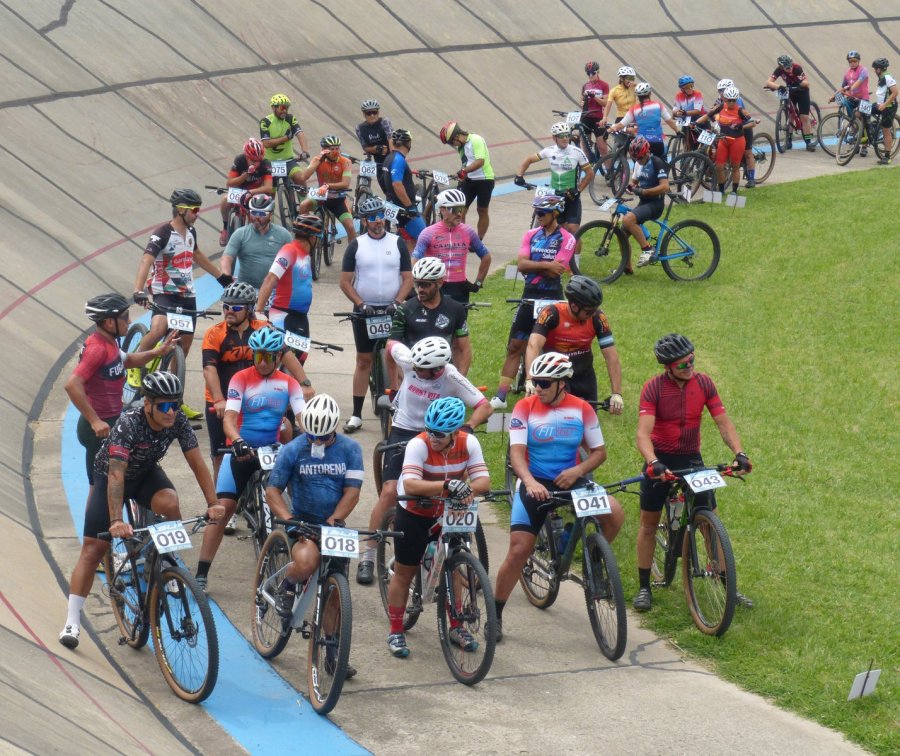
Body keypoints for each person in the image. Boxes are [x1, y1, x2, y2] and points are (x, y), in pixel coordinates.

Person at [58, 372, 223, 649]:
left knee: (170, 503)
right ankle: (72, 621)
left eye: (176, 404)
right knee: (93, 549)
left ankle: (164, 562)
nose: (171, 412)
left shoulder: (177, 419)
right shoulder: (129, 424)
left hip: (146, 474)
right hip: (110, 476)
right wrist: (115, 520)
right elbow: (116, 476)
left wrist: (213, 502)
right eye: (164, 406)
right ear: (148, 404)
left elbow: (197, 462)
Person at [492, 353, 624, 641]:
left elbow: (599, 452)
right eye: (535, 382)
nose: (537, 388)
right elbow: (516, 454)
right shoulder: (524, 408)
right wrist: (528, 482)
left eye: (543, 383)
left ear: (562, 383)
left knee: (615, 513)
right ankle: (495, 613)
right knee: (518, 552)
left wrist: (577, 470)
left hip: (574, 479)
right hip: (536, 481)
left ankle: (594, 559)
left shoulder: (582, 409)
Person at [356, 337, 492, 584]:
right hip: (406, 431)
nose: (416, 372)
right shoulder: (409, 360)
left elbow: (484, 406)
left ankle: (453, 555)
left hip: (439, 432)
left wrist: (469, 426)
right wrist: (394, 385)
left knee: (455, 488)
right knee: (389, 492)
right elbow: (388, 346)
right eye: (415, 368)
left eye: (422, 370)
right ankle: (368, 554)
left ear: (438, 368)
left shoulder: (450, 376)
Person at [633, 334, 753, 612]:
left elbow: (723, 423)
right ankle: (643, 587)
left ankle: (727, 586)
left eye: (692, 360)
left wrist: (740, 453)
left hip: (691, 459)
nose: (691, 366)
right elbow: (642, 434)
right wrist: (652, 462)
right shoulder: (654, 388)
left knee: (710, 521)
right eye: (684, 364)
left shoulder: (704, 383)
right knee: (649, 524)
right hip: (661, 460)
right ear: (668, 367)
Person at [195, 326, 306, 591]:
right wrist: (238, 441)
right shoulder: (240, 379)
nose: (263, 363)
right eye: (258, 357)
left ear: (279, 357)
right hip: (243, 449)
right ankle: (201, 571)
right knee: (223, 508)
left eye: (269, 357)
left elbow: (302, 417)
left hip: (273, 448)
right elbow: (229, 420)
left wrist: (311, 435)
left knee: (299, 494)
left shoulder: (289, 383)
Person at [384, 397, 491, 657]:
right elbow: (410, 484)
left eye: (440, 434)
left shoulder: (469, 443)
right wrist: (447, 486)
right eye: (430, 430)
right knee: (404, 571)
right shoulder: (418, 444)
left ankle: (456, 625)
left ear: (455, 432)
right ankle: (395, 630)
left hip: (447, 511)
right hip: (415, 511)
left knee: (452, 565)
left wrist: (466, 488)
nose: (433, 437)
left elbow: (484, 481)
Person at [265, 393, 363, 677]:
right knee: (307, 561)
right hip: (303, 522)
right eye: (313, 437)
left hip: (333, 523)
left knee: (336, 594)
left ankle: (333, 652)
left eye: (324, 438)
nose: (318, 442)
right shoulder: (293, 449)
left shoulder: (350, 449)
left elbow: (353, 492)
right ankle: (287, 585)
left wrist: (334, 520)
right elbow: (273, 491)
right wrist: (288, 519)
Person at [132, 188, 230, 419]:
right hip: (164, 292)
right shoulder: (162, 233)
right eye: (195, 209)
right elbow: (146, 260)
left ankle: (175, 397)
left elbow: (197, 256)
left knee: (183, 347)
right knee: (158, 329)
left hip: (186, 294)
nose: (198, 213)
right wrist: (137, 290)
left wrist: (220, 276)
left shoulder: (191, 231)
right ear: (181, 209)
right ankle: (135, 366)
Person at [202, 282, 313, 485]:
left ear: (250, 309)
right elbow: (209, 369)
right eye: (225, 306)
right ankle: (223, 499)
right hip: (224, 400)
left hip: (260, 396)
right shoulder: (214, 333)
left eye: (236, 308)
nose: (229, 311)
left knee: (284, 430)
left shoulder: (263, 329)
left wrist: (304, 382)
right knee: (222, 454)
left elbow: (286, 355)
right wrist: (218, 399)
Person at [68, 294, 178, 490]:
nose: (129, 321)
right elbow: (72, 384)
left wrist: (157, 352)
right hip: (98, 428)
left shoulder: (110, 342)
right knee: (99, 487)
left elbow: (126, 360)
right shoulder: (97, 349)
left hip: (111, 420)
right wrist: (95, 421)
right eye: (125, 317)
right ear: (110, 322)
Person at [490, 194, 575, 410]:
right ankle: (501, 395)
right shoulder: (530, 235)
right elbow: (521, 265)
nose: (537, 216)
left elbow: (559, 269)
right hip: (529, 297)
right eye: (535, 212)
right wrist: (546, 265)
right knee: (514, 346)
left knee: (551, 347)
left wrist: (535, 264)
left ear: (555, 213)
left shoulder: (567, 238)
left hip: (553, 299)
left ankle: (553, 390)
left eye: (541, 213)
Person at [339, 195, 413, 433]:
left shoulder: (397, 242)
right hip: (365, 310)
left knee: (397, 358)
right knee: (364, 360)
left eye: (380, 216)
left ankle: (399, 405)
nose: (377, 221)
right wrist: (360, 304)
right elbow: (345, 282)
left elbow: (408, 278)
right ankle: (356, 414)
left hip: (393, 308)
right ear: (364, 220)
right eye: (372, 218)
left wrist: (399, 301)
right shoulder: (356, 245)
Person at [525, 275, 623, 413]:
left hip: (584, 373)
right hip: (556, 375)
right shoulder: (551, 313)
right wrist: (530, 379)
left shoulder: (597, 318)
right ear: (574, 306)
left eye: (595, 309)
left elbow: (611, 356)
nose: (593, 314)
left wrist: (617, 394)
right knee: (559, 418)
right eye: (588, 311)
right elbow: (533, 345)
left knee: (588, 420)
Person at [386, 257, 472, 376]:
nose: (420, 289)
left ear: (440, 283)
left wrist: (461, 380)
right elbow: (391, 349)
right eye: (417, 284)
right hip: (413, 376)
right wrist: (397, 386)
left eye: (425, 285)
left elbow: (463, 349)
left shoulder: (456, 309)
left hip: (443, 375)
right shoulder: (404, 310)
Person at [254, 213, 323, 361]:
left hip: (301, 317)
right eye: (320, 238)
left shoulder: (306, 255)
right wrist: (259, 310)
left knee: (301, 358)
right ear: (313, 238)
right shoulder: (289, 250)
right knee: (281, 359)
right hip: (283, 315)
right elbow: (271, 278)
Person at [412, 188, 492, 303]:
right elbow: (415, 260)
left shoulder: (468, 232)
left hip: (460, 287)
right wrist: (420, 283)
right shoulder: (428, 233)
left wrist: (478, 283)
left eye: (461, 209)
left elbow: (486, 257)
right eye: (454, 210)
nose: (459, 214)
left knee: (460, 321)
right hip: (435, 286)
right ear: (442, 210)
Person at [514, 123, 594, 233]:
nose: (565, 138)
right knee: (554, 229)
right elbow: (529, 160)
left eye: (567, 135)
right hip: (554, 196)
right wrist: (519, 175)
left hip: (571, 197)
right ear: (554, 138)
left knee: (573, 230)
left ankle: (576, 251)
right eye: (561, 136)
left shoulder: (577, 152)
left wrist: (578, 190)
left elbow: (590, 173)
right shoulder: (549, 151)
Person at [695, 86, 759, 195]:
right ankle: (721, 190)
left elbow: (752, 123)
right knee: (720, 167)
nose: (731, 103)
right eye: (729, 100)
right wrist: (695, 123)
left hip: (737, 141)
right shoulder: (720, 107)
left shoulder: (740, 110)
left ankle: (734, 191)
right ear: (725, 99)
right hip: (724, 141)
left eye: (734, 100)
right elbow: (707, 115)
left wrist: (741, 127)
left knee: (735, 167)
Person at [220, 194, 293, 290]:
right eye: (253, 213)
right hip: (246, 290)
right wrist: (226, 276)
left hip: (274, 291)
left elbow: (296, 262)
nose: (256, 218)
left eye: (262, 214)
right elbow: (226, 259)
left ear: (270, 214)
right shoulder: (240, 233)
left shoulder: (284, 235)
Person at [619, 136, 670, 269]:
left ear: (647, 153)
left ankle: (647, 249)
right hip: (644, 202)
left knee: (628, 220)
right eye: (636, 159)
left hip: (656, 204)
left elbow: (665, 187)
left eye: (641, 158)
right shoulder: (638, 163)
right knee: (622, 233)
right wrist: (631, 187)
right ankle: (626, 268)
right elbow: (634, 181)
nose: (639, 161)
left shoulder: (656, 162)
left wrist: (644, 192)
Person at [439, 121, 495, 239]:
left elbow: (480, 161)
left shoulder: (476, 139)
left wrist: (465, 171)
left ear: (457, 136)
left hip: (485, 180)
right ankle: (462, 238)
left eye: (451, 142)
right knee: (460, 211)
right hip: (470, 180)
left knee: (482, 210)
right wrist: (462, 175)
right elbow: (466, 163)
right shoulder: (461, 147)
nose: (453, 145)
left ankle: (478, 240)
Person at [297, 135, 356, 244]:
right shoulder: (317, 159)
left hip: (338, 199)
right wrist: (318, 161)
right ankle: (303, 239)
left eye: (337, 148)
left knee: (350, 227)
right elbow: (303, 177)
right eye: (331, 149)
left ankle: (353, 256)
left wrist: (328, 185)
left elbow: (345, 184)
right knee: (303, 206)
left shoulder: (345, 161)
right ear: (324, 150)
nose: (335, 151)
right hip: (321, 196)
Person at [218, 138, 274, 247]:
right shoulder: (239, 160)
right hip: (238, 190)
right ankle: (225, 228)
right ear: (247, 157)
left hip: (254, 192)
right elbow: (229, 184)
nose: (257, 163)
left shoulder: (265, 163)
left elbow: (268, 188)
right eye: (253, 161)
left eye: (259, 160)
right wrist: (245, 175)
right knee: (225, 200)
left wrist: (251, 192)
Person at [377, 128, 426, 248]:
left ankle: (407, 265)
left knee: (409, 242)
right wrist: (409, 206)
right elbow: (396, 184)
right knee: (427, 240)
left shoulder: (389, 158)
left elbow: (383, 180)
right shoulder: (399, 160)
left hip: (394, 205)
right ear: (408, 143)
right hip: (404, 209)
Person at [608, 82, 678, 158]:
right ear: (650, 93)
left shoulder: (634, 109)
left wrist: (608, 130)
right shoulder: (658, 105)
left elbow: (621, 125)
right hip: (658, 143)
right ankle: (662, 168)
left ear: (638, 96)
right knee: (663, 152)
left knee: (639, 162)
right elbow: (669, 121)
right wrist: (678, 131)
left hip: (642, 145)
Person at [764, 54, 817, 151]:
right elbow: (768, 82)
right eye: (787, 67)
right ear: (781, 67)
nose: (790, 68)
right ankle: (789, 141)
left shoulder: (797, 68)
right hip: (790, 91)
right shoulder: (779, 70)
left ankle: (808, 142)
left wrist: (799, 83)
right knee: (791, 116)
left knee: (804, 117)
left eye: (791, 65)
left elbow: (806, 83)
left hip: (802, 91)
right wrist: (779, 87)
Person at [259, 93, 310, 187]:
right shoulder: (265, 122)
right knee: (269, 192)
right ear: (273, 108)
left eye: (287, 108)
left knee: (300, 180)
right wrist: (285, 138)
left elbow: (300, 133)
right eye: (282, 108)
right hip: (270, 162)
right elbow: (266, 143)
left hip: (288, 160)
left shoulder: (290, 119)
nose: (285, 111)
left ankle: (305, 201)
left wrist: (305, 151)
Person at [580, 60, 610, 159]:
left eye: (593, 73)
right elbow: (581, 102)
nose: (590, 75)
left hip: (598, 118)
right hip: (586, 117)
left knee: (602, 148)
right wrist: (583, 103)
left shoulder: (604, 85)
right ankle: (589, 170)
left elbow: (605, 103)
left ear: (598, 72)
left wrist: (594, 97)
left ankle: (610, 171)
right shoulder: (585, 86)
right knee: (585, 147)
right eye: (588, 73)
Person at [872, 57, 897, 165]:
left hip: (889, 107)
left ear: (879, 69)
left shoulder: (887, 77)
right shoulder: (881, 77)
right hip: (880, 105)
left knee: (886, 130)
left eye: (875, 69)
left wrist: (884, 105)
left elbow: (895, 92)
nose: (874, 71)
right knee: (862, 110)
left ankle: (887, 156)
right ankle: (867, 135)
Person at [355, 99, 394, 166]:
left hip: (390, 157)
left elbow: (391, 140)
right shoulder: (359, 128)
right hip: (378, 160)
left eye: (374, 112)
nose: (372, 115)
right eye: (369, 113)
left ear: (378, 113)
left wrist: (393, 158)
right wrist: (375, 148)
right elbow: (365, 148)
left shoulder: (384, 122)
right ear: (364, 114)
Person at [672, 75, 705, 150]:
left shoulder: (697, 94)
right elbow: (674, 111)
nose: (690, 88)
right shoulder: (679, 96)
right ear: (682, 89)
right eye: (687, 87)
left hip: (700, 120)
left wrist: (684, 113)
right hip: (687, 121)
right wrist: (677, 113)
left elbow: (697, 111)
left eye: (691, 86)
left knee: (704, 145)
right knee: (687, 146)